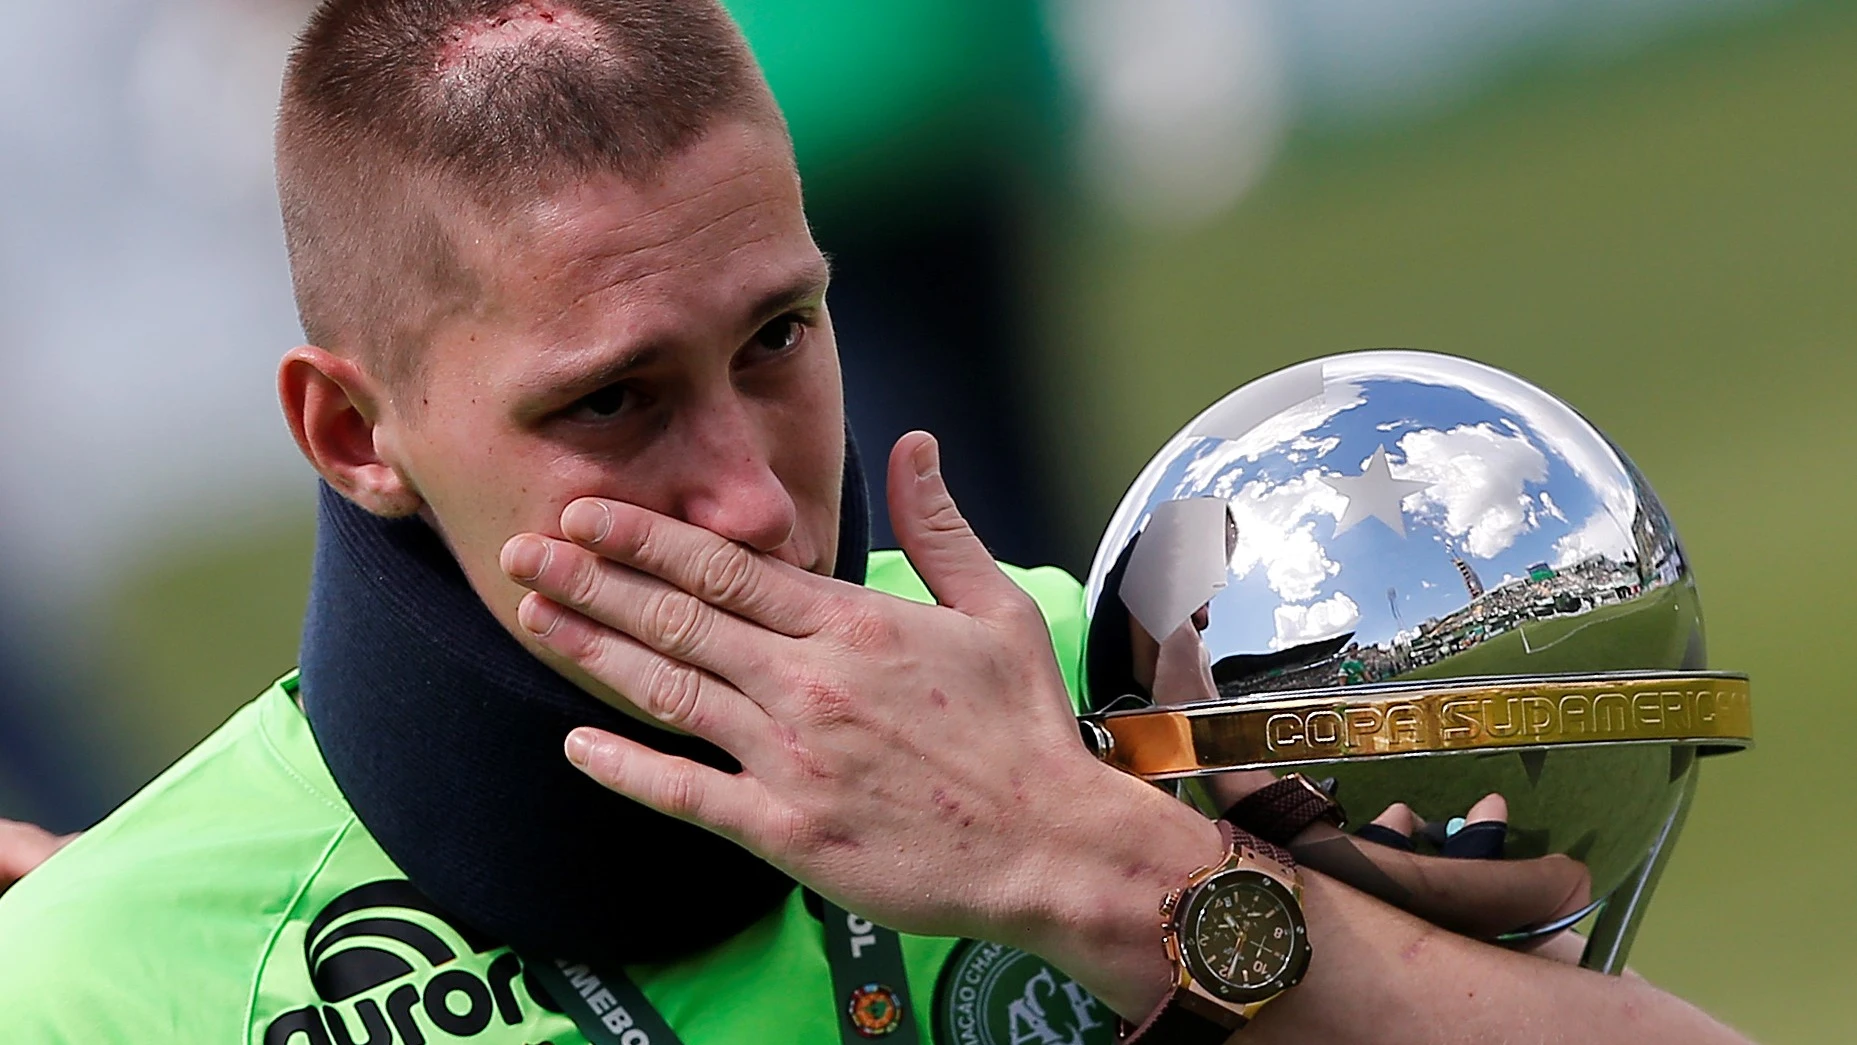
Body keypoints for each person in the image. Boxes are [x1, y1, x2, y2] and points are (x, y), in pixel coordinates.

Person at [0, 1, 1750, 1042]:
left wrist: (1095, 868)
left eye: (781, 337)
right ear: (355, 433)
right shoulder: (109, 985)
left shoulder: (1096, 686)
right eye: (608, 401)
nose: (755, 495)